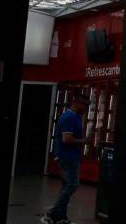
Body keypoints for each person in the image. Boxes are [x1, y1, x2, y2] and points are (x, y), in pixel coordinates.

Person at [41, 94, 89, 224]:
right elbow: (66, 139)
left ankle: (61, 217)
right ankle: (52, 214)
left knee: (65, 186)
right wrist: (82, 141)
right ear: (77, 103)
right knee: (73, 185)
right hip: (69, 158)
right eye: (85, 105)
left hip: (66, 157)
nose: (86, 108)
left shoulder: (71, 117)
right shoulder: (70, 117)